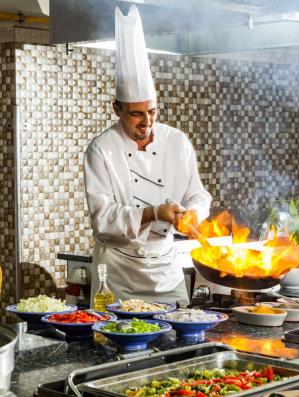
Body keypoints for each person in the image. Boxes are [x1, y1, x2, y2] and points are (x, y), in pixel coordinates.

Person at [84, 5, 211, 307]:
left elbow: (198, 195)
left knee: (180, 346)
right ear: (117, 109)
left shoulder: (177, 142)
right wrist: (154, 213)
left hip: (166, 273)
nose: (147, 122)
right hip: (118, 276)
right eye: (136, 114)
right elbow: (103, 219)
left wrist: (194, 214)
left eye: (152, 112)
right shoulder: (101, 149)